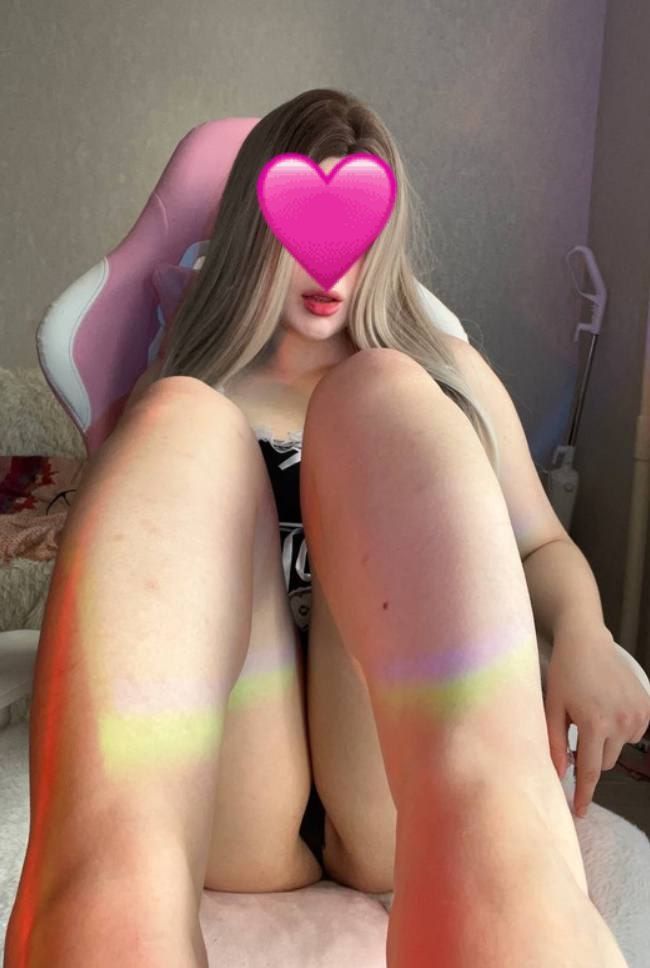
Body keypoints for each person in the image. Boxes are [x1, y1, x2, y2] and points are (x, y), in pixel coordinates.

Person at [5, 88, 632, 968]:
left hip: (392, 767)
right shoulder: (191, 389)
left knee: (381, 396)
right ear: (250, 234)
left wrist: (588, 635)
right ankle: (107, 905)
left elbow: (542, 546)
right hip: (235, 785)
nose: (330, 262)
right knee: (183, 421)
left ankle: (511, 886)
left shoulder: (442, 373)